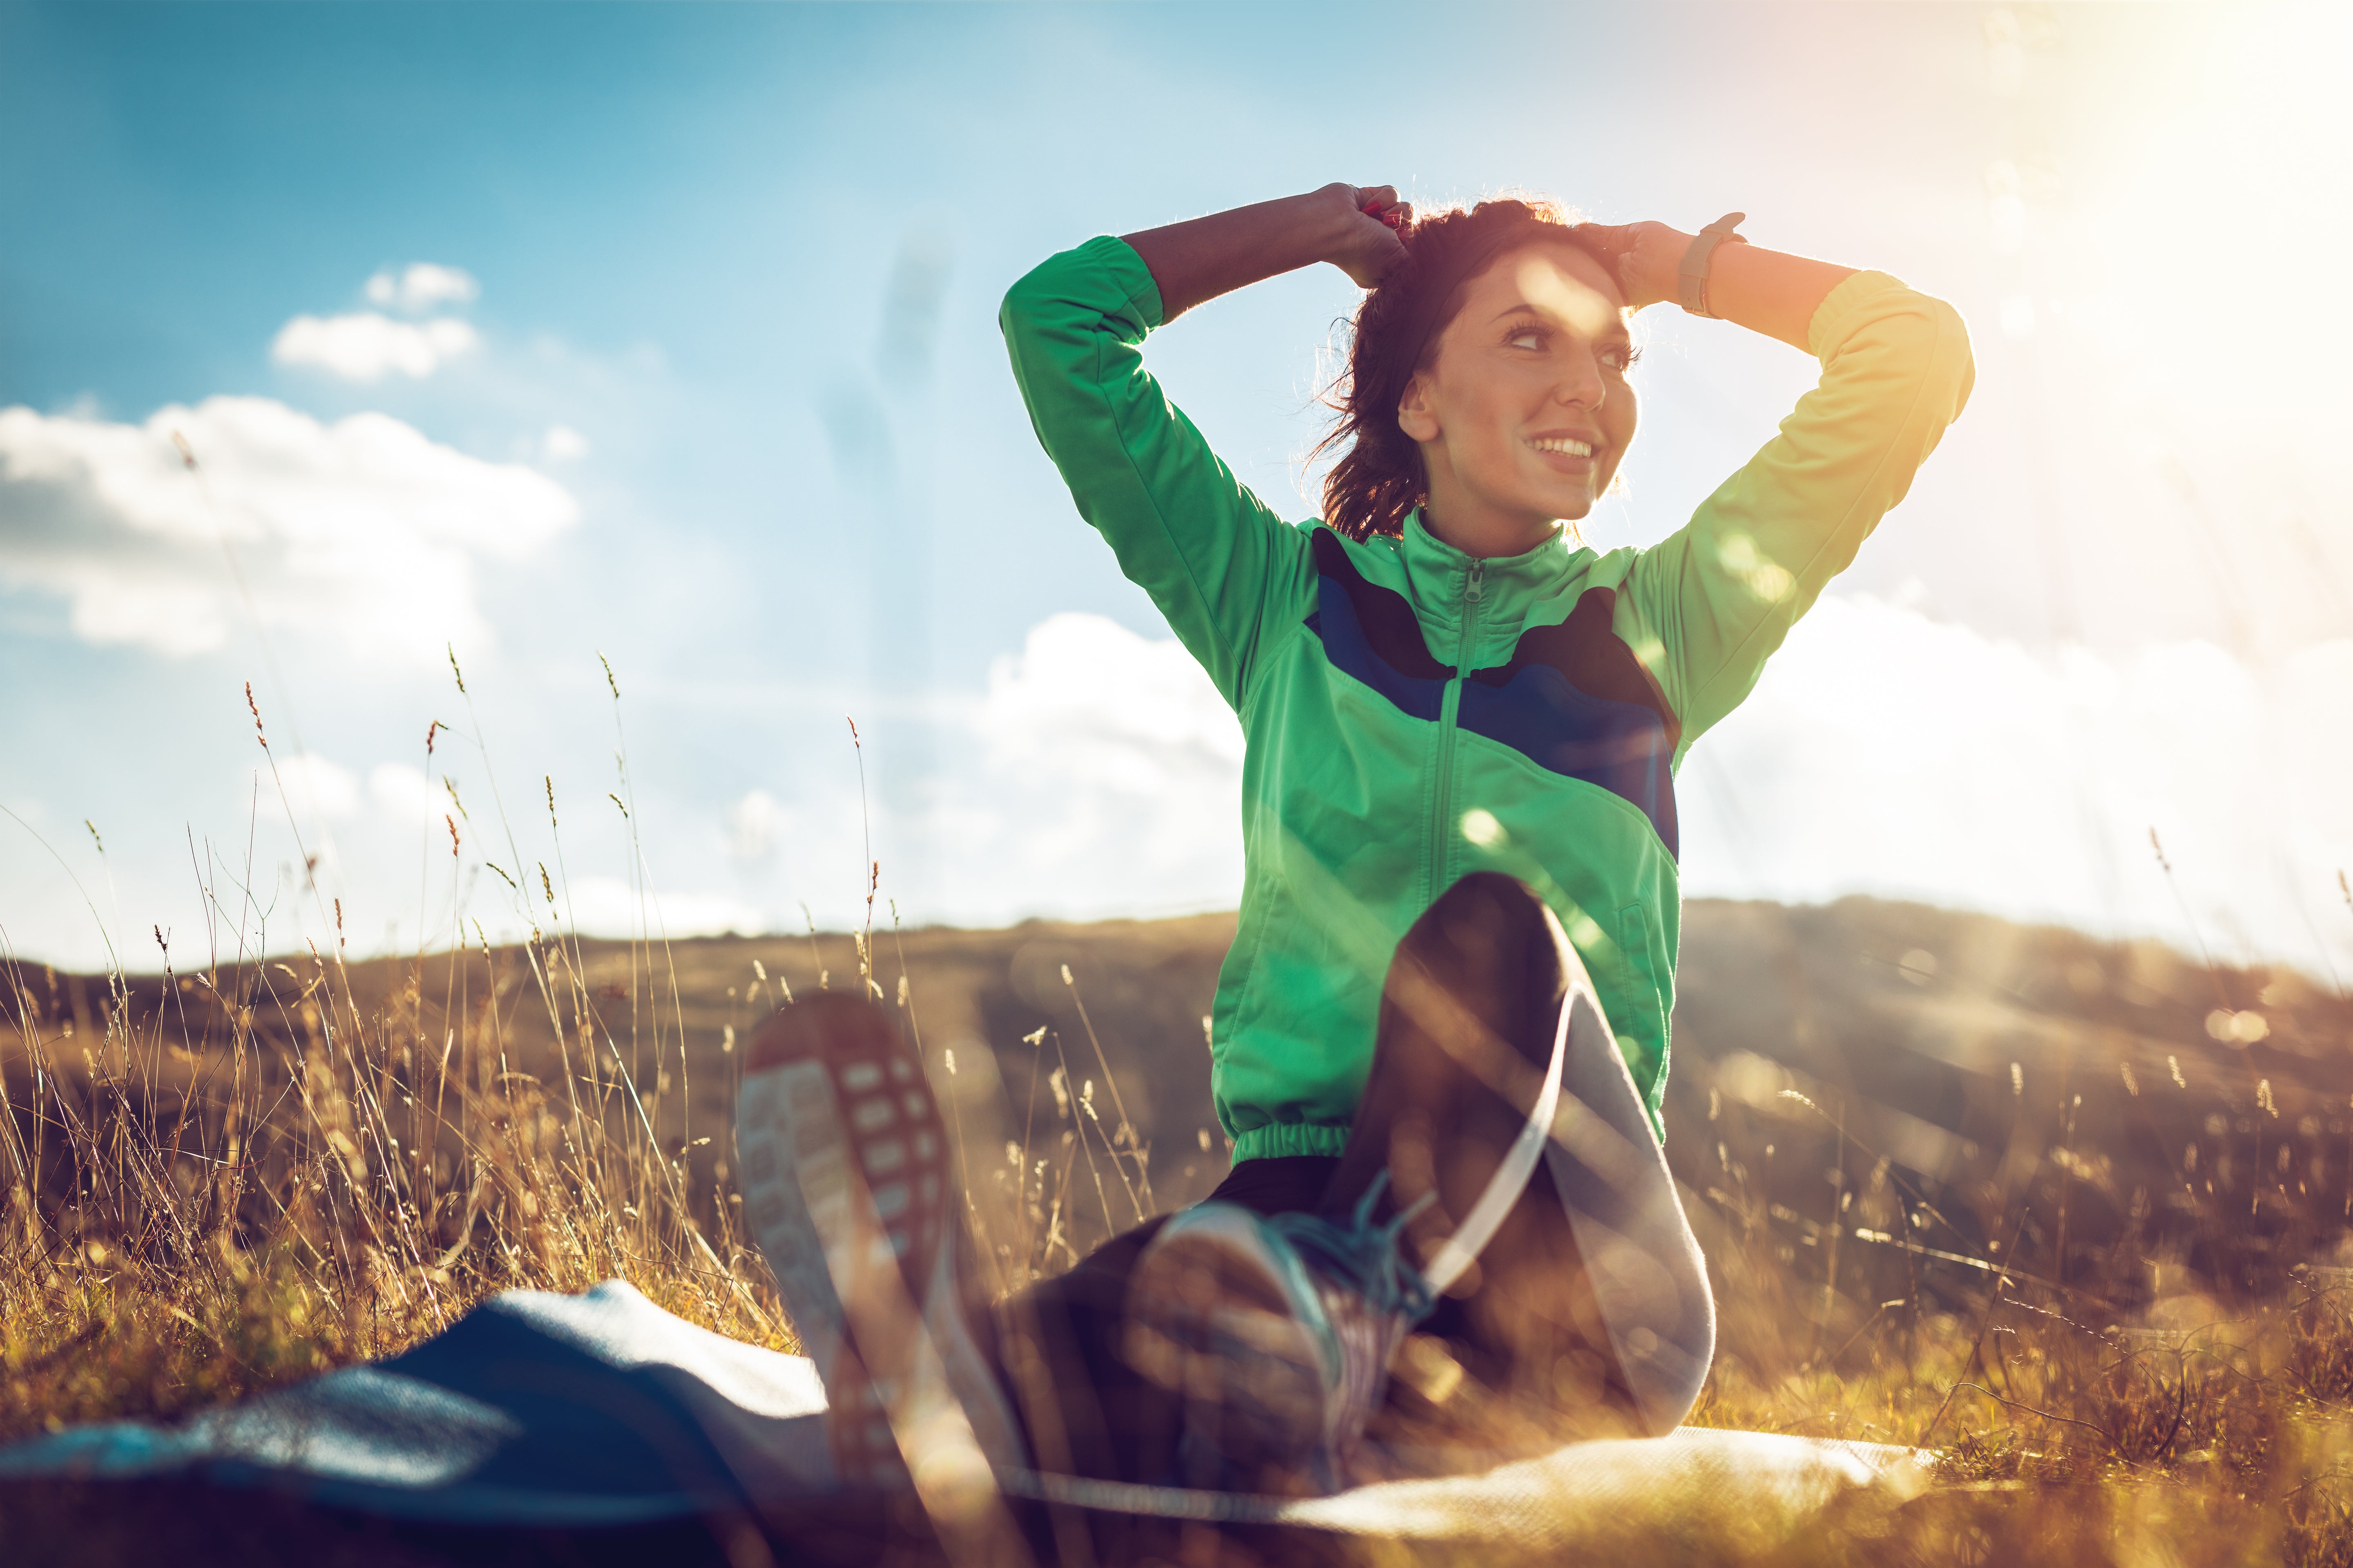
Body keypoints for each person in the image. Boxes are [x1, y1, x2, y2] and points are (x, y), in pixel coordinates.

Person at [736, 183, 1973, 1511]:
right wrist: (1312, 231)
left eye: (1615, 355)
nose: (1593, 384)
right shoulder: (1286, 607)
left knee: (1490, 937)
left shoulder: (1666, 626)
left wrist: (1677, 268)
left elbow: (1915, 353)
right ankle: (971, 1379)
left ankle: (1334, 1323)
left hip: (1574, 1267)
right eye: (1529, 339)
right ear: (1417, 401)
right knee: (1100, 1336)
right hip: (1277, 1224)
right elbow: (1058, 327)